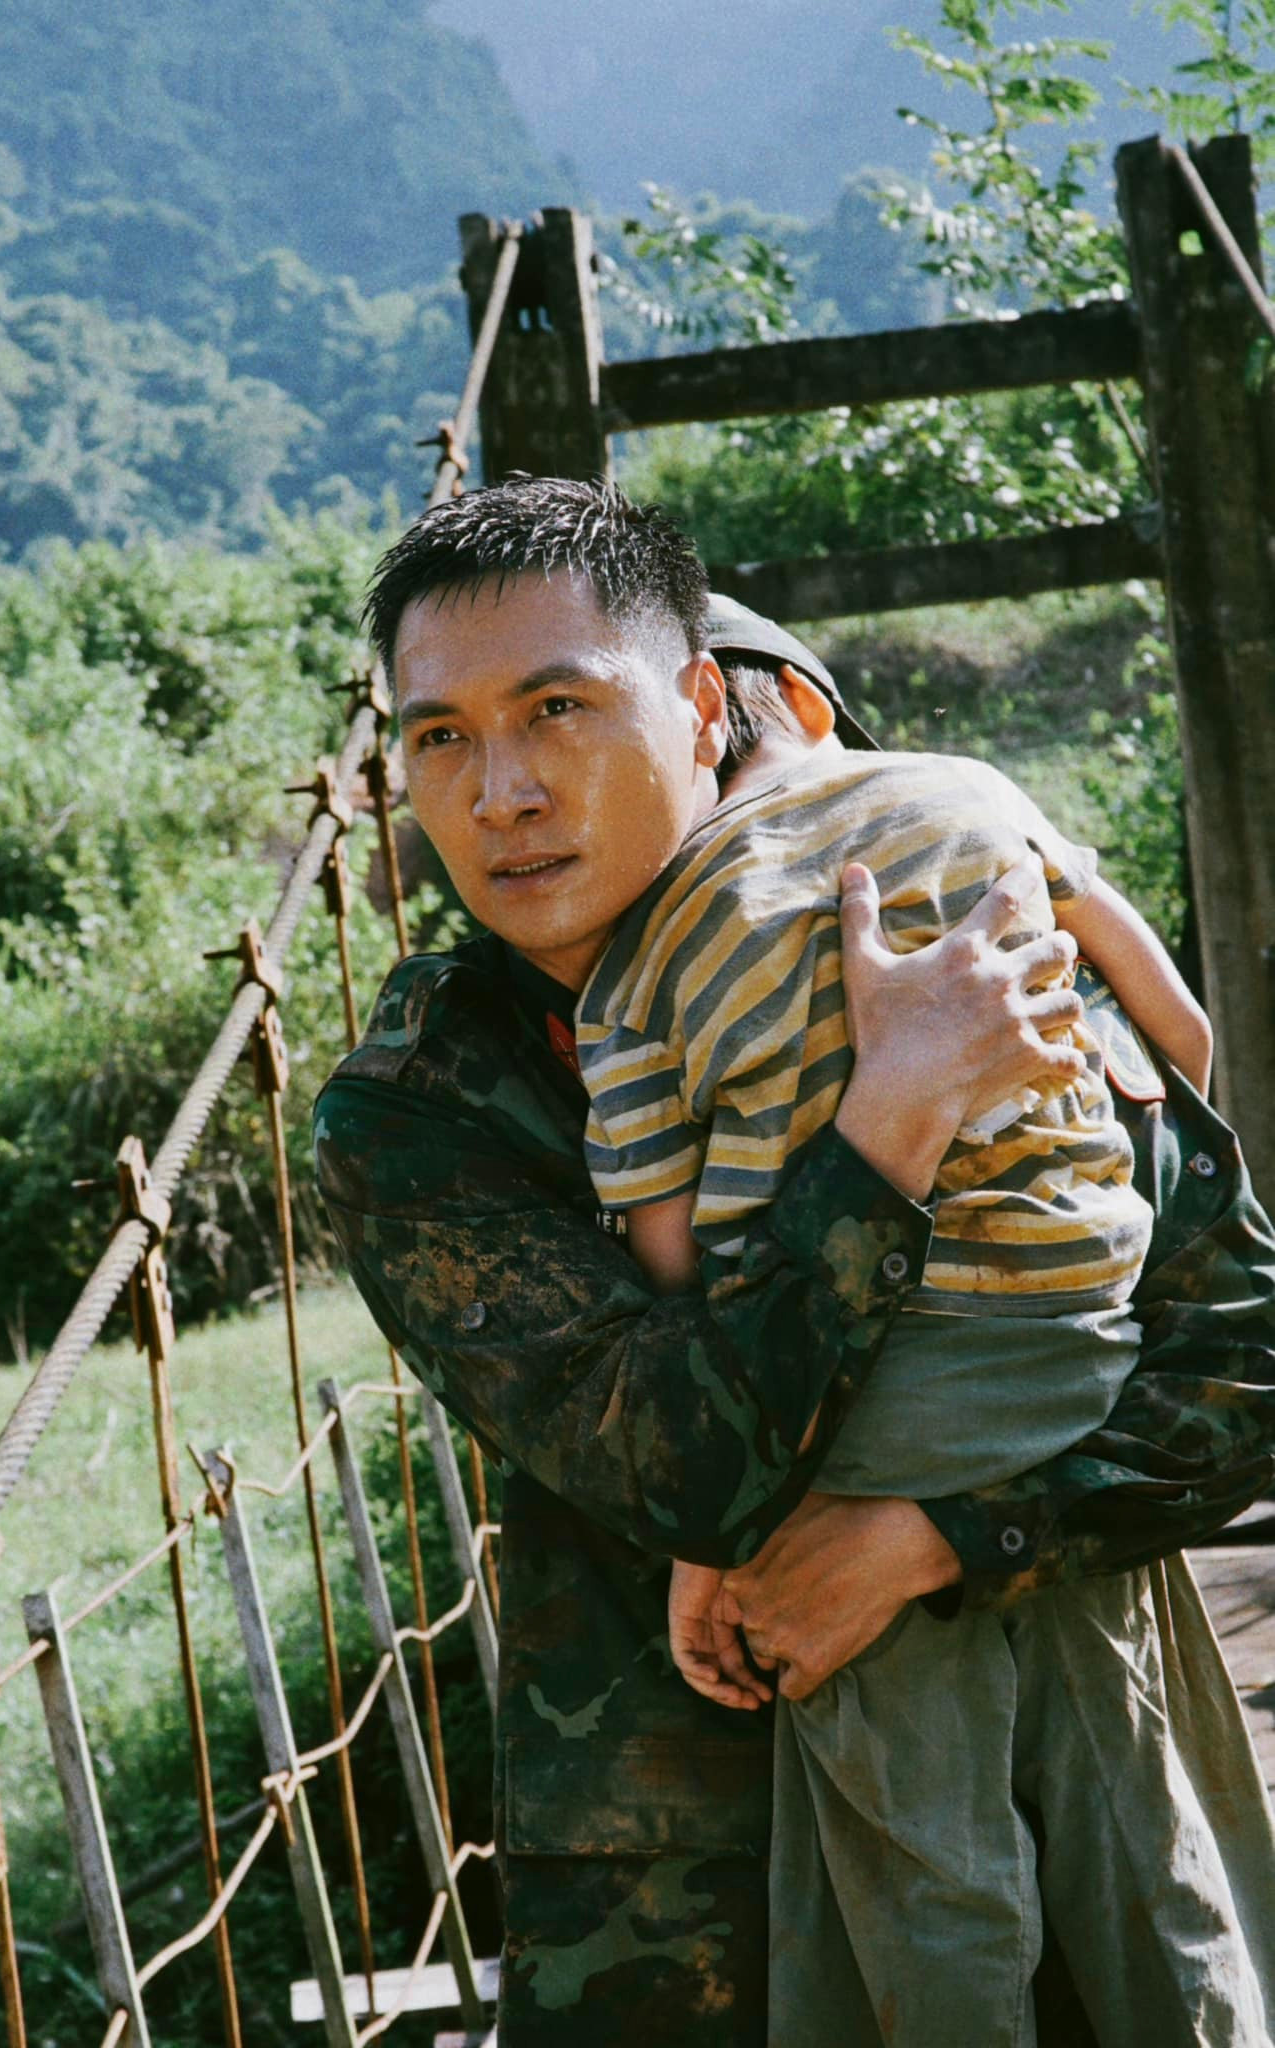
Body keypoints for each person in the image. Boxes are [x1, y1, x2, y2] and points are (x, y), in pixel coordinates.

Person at [312, 476, 1275, 2045]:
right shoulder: (424, 1105)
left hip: (1076, 1795)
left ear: (701, 716)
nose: (502, 794)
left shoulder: (955, 941)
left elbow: (1240, 1366)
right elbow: (685, 1462)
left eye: (558, 709)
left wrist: (940, 1537)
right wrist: (890, 1119)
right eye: (439, 738)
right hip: (684, 1903)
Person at [574, 588, 1270, 2044]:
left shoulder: (633, 971)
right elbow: (1180, 1032)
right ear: (804, 703)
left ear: (687, 727)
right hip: (1076, 1353)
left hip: (863, 1407)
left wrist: (725, 1521)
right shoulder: (971, 793)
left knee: (925, 1865)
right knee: (1141, 1833)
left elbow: (674, 1267)